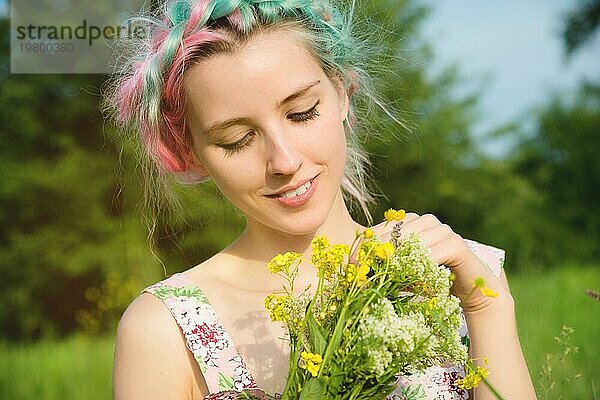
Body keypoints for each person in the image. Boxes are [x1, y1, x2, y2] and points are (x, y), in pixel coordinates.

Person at [108, 0, 536, 399]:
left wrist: (484, 308)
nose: (285, 160)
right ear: (190, 154)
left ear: (342, 93)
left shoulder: (464, 278)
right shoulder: (166, 329)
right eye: (237, 140)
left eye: (302, 113)